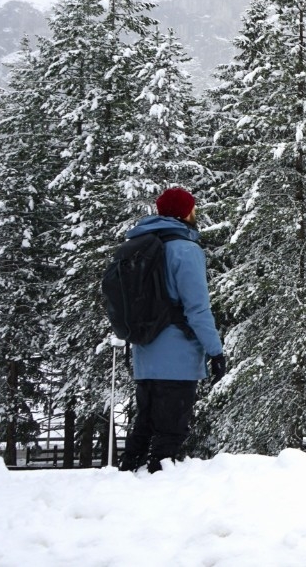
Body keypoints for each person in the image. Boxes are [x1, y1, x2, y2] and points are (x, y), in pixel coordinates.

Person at [119, 186, 226, 473]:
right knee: (171, 432)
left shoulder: (141, 246)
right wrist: (215, 351)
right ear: (185, 212)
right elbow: (197, 309)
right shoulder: (185, 250)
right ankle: (157, 491)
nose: (195, 213)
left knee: (144, 426)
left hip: (145, 352)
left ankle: (125, 480)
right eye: (192, 208)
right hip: (177, 355)